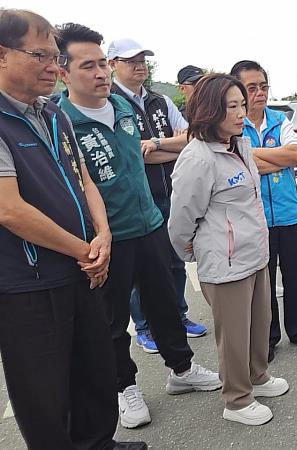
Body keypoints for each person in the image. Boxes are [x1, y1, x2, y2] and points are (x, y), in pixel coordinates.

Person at [56, 23, 222, 430]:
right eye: (88, 66)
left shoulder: (125, 107)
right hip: (108, 236)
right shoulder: (61, 121)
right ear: (64, 72)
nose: (99, 74)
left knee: (165, 300)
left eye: (101, 65)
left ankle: (181, 369)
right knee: (112, 320)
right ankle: (124, 386)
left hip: (149, 224)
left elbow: (141, 157)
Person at [0, 9, 145, 449]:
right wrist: (84, 249)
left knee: (95, 370)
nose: (53, 66)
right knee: (44, 390)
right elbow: (10, 210)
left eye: (55, 56)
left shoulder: (54, 114)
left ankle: (99, 443)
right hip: (30, 283)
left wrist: (103, 234)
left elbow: (84, 179)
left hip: (82, 268)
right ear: (2, 56)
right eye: (41, 54)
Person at [169, 73, 291, 426]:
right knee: (234, 335)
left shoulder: (239, 146)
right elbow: (181, 219)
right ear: (209, 111)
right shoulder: (198, 158)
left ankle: (257, 377)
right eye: (232, 107)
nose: (241, 113)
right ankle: (236, 400)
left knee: (258, 323)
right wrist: (191, 252)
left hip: (254, 255)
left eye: (242, 104)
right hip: (225, 263)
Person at [107, 37, 207, 353]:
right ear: (112, 65)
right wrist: (168, 147)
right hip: (138, 200)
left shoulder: (160, 101)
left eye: (143, 59)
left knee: (177, 261)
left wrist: (158, 145)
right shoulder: (109, 104)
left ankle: (179, 316)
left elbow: (192, 138)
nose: (140, 65)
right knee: (140, 270)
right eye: (130, 60)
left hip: (171, 194)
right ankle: (145, 327)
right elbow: (130, 154)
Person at [231, 60, 297, 362]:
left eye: (263, 86)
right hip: (255, 219)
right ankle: (267, 337)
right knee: (263, 282)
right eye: (251, 87)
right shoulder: (232, 125)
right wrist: (275, 161)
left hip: (289, 212)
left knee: (296, 276)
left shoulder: (279, 120)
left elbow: (295, 154)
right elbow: (237, 160)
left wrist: (253, 159)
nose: (259, 93)